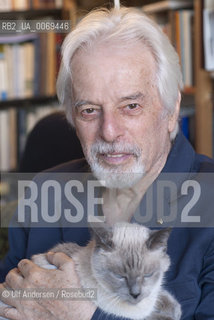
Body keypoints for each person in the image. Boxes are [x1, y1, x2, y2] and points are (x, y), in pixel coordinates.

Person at [0, 7, 214, 320]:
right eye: (89, 110)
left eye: (130, 106)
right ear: (72, 118)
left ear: (171, 110)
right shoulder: (44, 190)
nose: (109, 131)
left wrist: (88, 314)